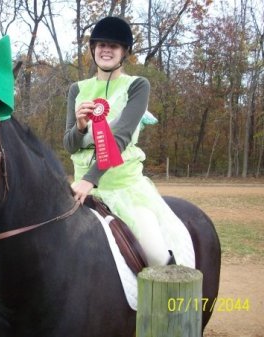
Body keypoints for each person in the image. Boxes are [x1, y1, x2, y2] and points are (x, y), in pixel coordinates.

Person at [63, 16, 194, 267]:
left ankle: (169, 300)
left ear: (124, 52)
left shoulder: (137, 86)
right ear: (93, 49)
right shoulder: (77, 89)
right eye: (101, 44)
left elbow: (120, 139)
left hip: (124, 190)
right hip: (81, 192)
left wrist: (89, 180)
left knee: (156, 255)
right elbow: (69, 145)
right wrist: (79, 128)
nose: (106, 50)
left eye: (113, 46)